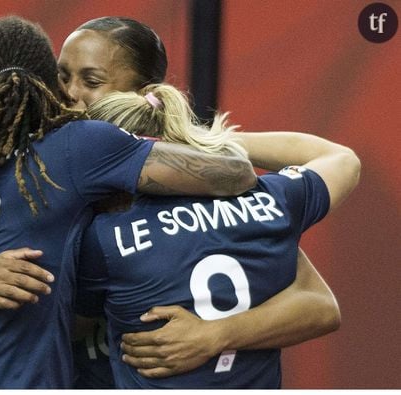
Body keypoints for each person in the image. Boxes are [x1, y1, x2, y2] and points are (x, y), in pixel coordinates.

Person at [0, 15, 344, 388]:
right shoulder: (44, 178)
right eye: (61, 77)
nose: (68, 95)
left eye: (92, 81)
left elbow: (318, 305)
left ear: (144, 93)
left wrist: (216, 334)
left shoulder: (193, 194)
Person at [75, 84, 360, 388]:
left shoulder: (105, 238)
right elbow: (343, 159)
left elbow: (60, 324)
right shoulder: (267, 200)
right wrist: (206, 143)